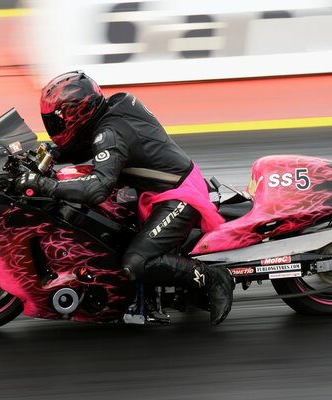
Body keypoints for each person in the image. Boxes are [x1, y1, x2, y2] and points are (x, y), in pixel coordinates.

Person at [16, 71, 234, 325]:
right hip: (157, 188)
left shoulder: (109, 133)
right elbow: (85, 146)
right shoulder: (114, 107)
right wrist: (46, 155)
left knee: (136, 262)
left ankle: (214, 278)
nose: (56, 125)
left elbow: (97, 188)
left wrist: (45, 185)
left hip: (178, 195)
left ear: (79, 111)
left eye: (59, 120)